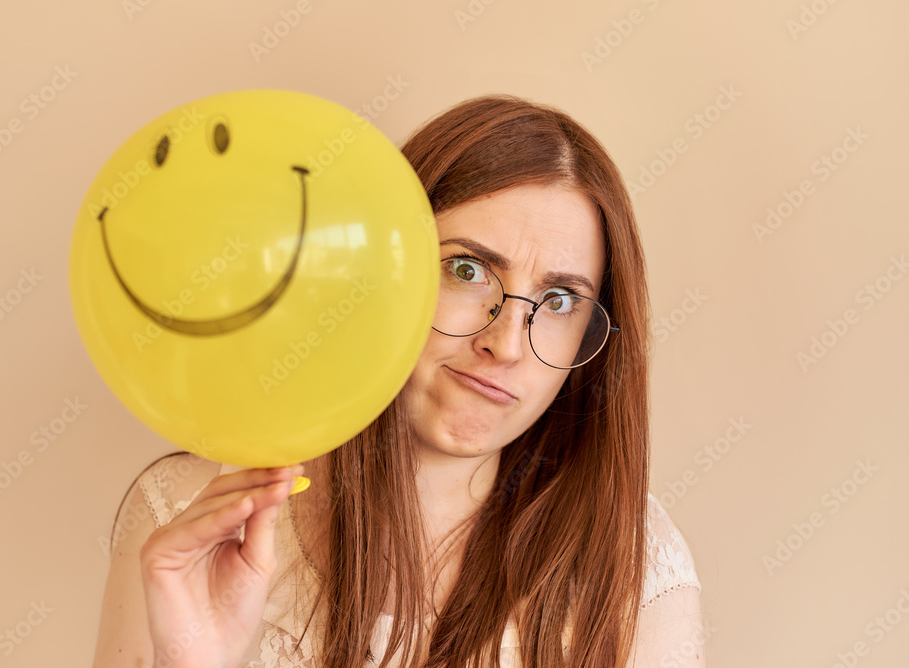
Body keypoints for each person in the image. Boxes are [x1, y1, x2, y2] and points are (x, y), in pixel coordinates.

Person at [92, 94, 706, 667]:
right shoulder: (190, 516)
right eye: (466, 270)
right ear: (376, 265)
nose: (506, 344)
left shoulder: (638, 572)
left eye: (560, 300)